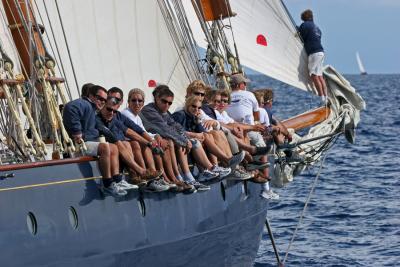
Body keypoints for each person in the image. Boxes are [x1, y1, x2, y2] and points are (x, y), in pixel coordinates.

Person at [63, 85, 130, 196]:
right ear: (91, 96)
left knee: (113, 147)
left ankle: (117, 180)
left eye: (105, 100)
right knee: (105, 147)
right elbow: (71, 107)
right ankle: (107, 183)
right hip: (80, 144)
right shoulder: (85, 104)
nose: (102, 102)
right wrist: (77, 131)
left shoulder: (93, 109)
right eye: (99, 98)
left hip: (89, 141)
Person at [96, 97, 168, 192]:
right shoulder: (97, 118)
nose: (112, 113)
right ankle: (141, 174)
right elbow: (111, 136)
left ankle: (149, 176)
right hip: (102, 145)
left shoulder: (114, 117)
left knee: (165, 143)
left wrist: (150, 143)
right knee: (124, 143)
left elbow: (130, 130)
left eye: (114, 111)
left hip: (117, 144)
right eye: (109, 109)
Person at [226, 73, 278, 199]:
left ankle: (249, 168)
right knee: (263, 149)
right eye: (245, 83)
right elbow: (256, 117)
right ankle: (265, 188)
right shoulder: (249, 95)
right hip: (248, 130)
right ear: (240, 85)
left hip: (232, 131)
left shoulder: (226, 97)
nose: (246, 85)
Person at [299, 9, 327, 102]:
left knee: (313, 75)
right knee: (319, 76)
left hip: (314, 53)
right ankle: (325, 97)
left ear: (304, 17)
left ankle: (321, 97)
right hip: (321, 52)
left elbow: (300, 36)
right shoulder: (317, 28)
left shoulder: (304, 25)